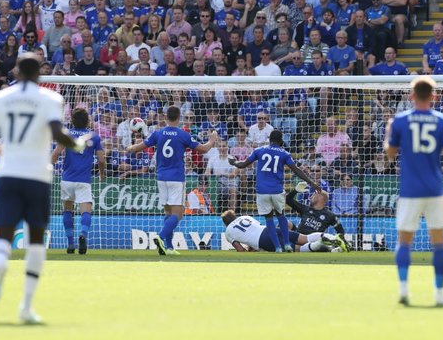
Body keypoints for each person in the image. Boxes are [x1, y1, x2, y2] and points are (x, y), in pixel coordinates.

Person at [0, 53, 89, 323]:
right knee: (36, 242)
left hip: (9, 172)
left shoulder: (0, 98)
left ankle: (1, 264)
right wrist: (78, 143)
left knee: (4, 233)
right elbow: (57, 133)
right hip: (38, 175)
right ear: (40, 74)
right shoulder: (50, 98)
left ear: (16, 72)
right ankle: (26, 307)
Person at [384, 76, 443, 307]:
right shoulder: (442, 121)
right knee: (439, 242)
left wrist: (388, 133)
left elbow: (389, 155)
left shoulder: (399, 120)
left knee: (405, 241)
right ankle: (439, 293)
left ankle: (403, 289)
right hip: (435, 188)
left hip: (410, 189)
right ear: (433, 96)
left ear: (412, 96)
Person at [126, 106, 218, 256]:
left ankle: (168, 248)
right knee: (178, 213)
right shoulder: (183, 135)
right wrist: (212, 139)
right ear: (179, 117)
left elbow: (138, 147)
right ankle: (160, 236)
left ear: (166, 117)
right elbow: (204, 149)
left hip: (161, 177)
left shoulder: (158, 133)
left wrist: (130, 148)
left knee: (168, 213)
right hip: (176, 178)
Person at [229, 130, 321, 253]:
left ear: (269, 140)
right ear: (282, 141)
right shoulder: (284, 153)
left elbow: (243, 165)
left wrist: (233, 161)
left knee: (269, 219)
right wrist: (312, 183)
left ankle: (278, 247)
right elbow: (296, 170)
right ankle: (287, 244)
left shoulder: (259, 150)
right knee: (281, 216)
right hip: (277, 190)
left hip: (262, 191)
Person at [50, 108, 105, 255]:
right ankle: (83, 235)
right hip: (83, 181)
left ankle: (70, 243)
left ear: (72, 120)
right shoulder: (94, 136)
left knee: (67, 210)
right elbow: (101, 159)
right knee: (85, 211)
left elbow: (56, 152)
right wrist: (102, 172)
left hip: (67, 179)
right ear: (87, 120)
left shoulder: (66, 134)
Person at [220, 210, 345, 253]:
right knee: (304, 238)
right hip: (270, 230)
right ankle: (331, 237)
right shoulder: (244, 217)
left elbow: (240, 249)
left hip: (263, 241)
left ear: (226, 224)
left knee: (297, 249)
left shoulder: (228, 232)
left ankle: (320, 244)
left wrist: (249, 249)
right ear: (235, 217)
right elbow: (255, 228)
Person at [286, 181, 349, 250]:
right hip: (298, 238)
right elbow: (288, 200)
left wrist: (338, 244)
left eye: (313, 195)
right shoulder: (305, 209)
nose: (310, 197)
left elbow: (340, 230)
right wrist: (295, 191)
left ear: (320, 198)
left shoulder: (330, 215)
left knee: (323, 248)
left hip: (313, 242)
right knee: (286, 223)